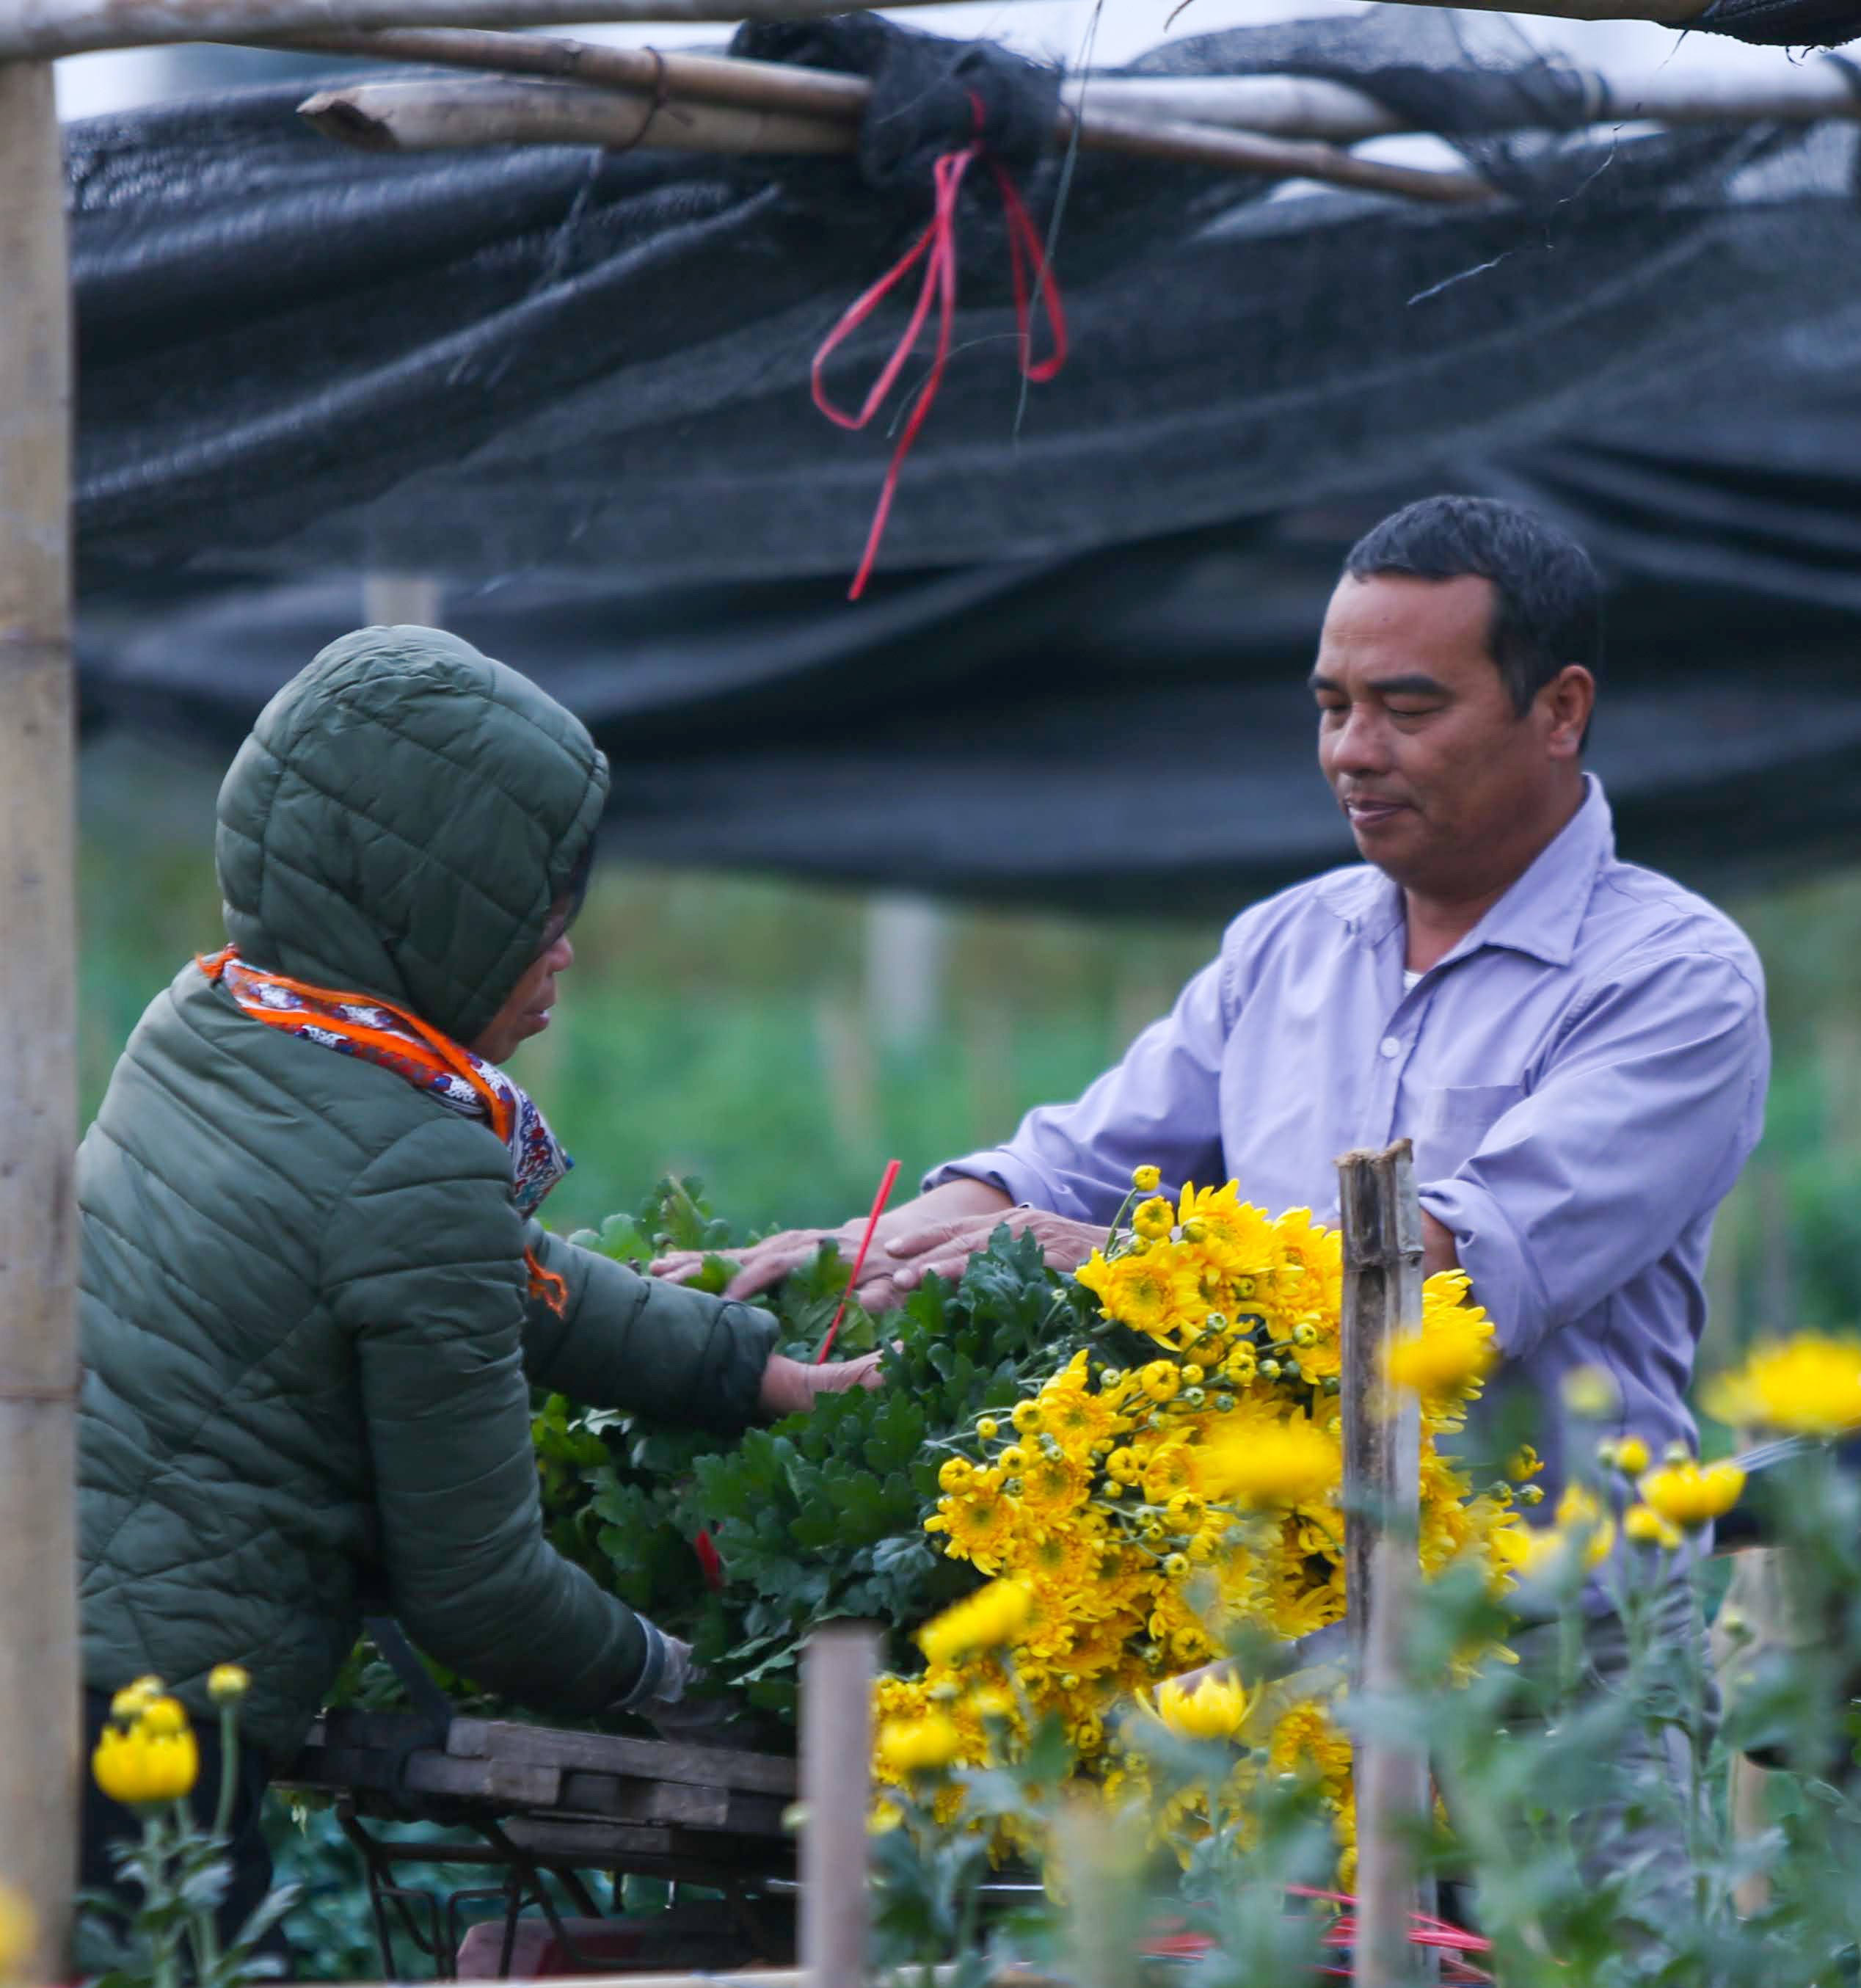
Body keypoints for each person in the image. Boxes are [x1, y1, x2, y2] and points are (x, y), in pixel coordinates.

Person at [0, 626, 871, 1988]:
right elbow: (478, 1586)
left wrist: (738, 1365)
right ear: (434, 908)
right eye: (539, 910)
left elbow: (503, 1277)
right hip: (113, 1786)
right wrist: (668, 1675)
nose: (564, 948)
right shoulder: (417, 1156)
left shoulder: (218, 1025)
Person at [707, 495, 1767, 1468]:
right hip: (1260, 1633)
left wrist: (1119, 1262)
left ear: (1560, 711)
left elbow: (1435, 1283)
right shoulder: (1286, 944)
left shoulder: (1670, 980)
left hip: (1539, 1650)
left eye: (1406, 708)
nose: (1352, 751)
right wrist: (849, 1255)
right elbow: (1070, 1168)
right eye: (1332, 706)